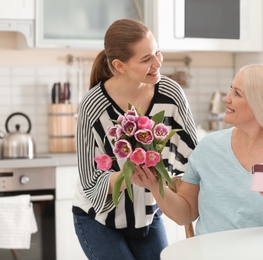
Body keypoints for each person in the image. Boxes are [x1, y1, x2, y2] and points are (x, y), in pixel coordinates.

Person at [132, 64, 263, 236]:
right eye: (231, 89)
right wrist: (156, 187)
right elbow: (185, 214)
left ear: (260, 103)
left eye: (237, 93)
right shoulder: (208, 147)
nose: (226, 98)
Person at [72, 18, 198, 259]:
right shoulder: (93, 105)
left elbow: (194, 157)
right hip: (99, 218)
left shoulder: (170, 94)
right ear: (120, 65)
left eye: (157, 52)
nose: (157, 63)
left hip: (147, 215)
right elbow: (90, 182)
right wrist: (130, 173)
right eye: (146, 59)